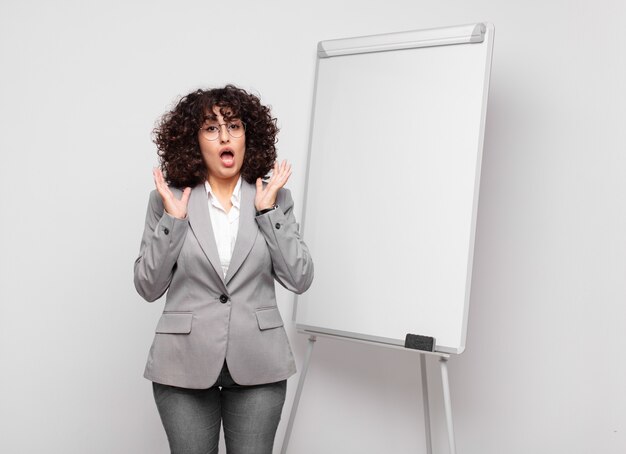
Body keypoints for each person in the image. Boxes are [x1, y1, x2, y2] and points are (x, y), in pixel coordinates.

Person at [133, 84, 314, 454]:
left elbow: (299, 278)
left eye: (234, 126)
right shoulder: (167, 197)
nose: (225, 136)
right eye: (211, 128)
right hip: (183, 362)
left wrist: (268, 214)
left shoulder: (276, 197)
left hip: (258, 361)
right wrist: (173, 220)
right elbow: (148, 286)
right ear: (194, 141)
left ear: (250, 135)